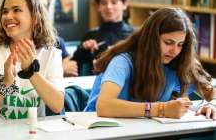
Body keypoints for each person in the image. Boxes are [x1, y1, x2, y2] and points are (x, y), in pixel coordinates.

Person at [84, 7, 216, 120]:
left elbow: (211, 91)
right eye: (168, 42)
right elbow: (104, 106)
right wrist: (161, 109)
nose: (174, 51)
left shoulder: (177, 62)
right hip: (98, 131)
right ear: (151, 39)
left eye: (180, 45)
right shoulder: (122, 62)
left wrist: (213, 104)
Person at [0, 0, 64, 122]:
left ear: (35, 17)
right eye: (5, 11)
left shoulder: (51, 54)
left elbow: (57, 106)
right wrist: (5, 85)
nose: (8, 16)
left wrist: (31, 72)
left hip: (33, 133)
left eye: (16, 10)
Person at [72, 0, 134, 76]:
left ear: (124, 4)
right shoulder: (90, 35)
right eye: (104, 3)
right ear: (98, 7)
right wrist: (83, 49)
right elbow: (74, 66)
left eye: (114, 2)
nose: (108, 7)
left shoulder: (135, 35)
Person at [27, 0, 78, 77]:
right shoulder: (15, 40)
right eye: (35, 6)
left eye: (43, 7)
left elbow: (71, 69)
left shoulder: (56, 41)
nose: (39, 11)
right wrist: (60, 69)